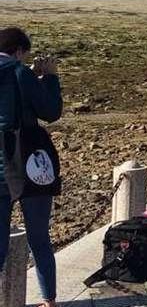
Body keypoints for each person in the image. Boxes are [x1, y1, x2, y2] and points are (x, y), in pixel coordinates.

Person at [0, 27, 62, 307]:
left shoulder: (19, 73)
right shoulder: (20, 72)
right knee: (39, 237)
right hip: (26, 163)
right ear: (19, 51)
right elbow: (50, 111)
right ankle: (48, 299)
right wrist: (49, 77)